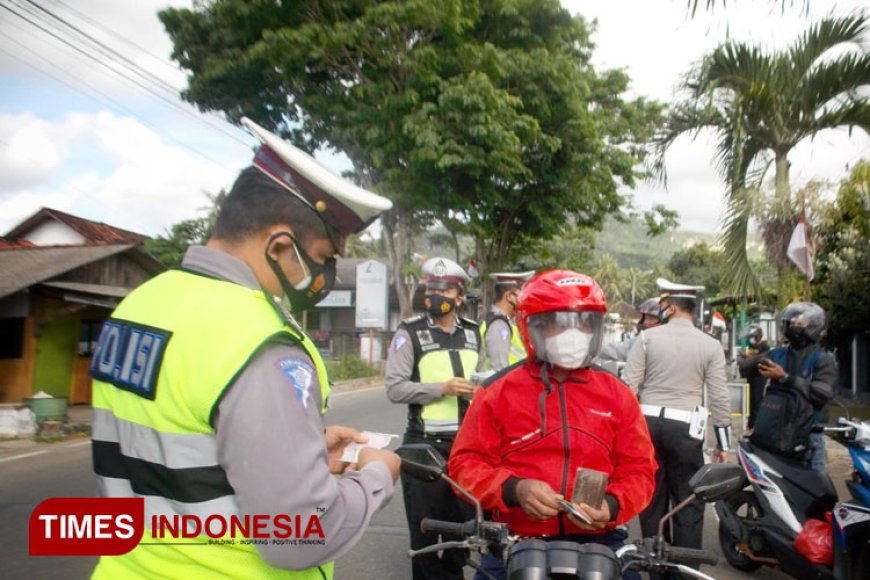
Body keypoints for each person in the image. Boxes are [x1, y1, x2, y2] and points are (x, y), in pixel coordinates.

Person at [88, 117, 400, 579]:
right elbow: (298, 535)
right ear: (279, 245)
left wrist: (303, 451)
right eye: (324, 257)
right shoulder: (258, 342)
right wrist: (374, 476)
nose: (325, 273)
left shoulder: (142, 303)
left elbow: (182, 447)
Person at [449, 270, 657, 580]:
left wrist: (612, 505)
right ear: (532, 327)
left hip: (601, 543)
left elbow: (641, 470)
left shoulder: (617, 394)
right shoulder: (497, 392)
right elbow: (465, 465)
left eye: (585, 322)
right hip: (515, 542)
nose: (573, 334)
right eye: (557, 323)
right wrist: (513, 489)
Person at [384, 257, 481, 580]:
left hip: (467, 449)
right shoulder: (408, 333)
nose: (438, 293)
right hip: (424, 447)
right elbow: (395, 388)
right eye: (432, 286)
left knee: (462, 533)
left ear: (459, 295)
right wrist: (441, 388)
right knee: (424, 532)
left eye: (446, 288)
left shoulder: (473, 333)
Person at [622, 278, 731, 562]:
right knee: (688, 501)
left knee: (651, 498)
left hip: (646, 426)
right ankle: (684, 566)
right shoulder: (710, 345)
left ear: (670, 307)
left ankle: (653, 561)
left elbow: (628, 388)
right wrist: (723, 442)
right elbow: (719, 397)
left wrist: (622, 434)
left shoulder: (646, 338)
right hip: (686, 430)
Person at [739, 302, 838, 471]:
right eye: (790, 323)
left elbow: (822, 393)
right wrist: (757, 361)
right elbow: (745, 368)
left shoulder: (822, 359)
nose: (793, 326)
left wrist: (785, 377)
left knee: (810, 491)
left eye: (799, 323)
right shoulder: (778, 354)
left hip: (808, 437)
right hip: (775, 434)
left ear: (814, 326)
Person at [477, 271, 534, 372]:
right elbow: (500, 370)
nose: (525, 299)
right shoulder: (499, 325)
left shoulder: (506, 322)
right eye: (521, 294)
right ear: (509, 296)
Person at [598, 297, 664, 364]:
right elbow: (621, 348)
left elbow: (623, 350)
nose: (645, 322)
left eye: (651, 319)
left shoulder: (653, 344)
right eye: (646, 318)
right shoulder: (643, 340)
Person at [737, 324, 770, 429]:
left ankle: (757, 424)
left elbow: (762, 359)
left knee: (758, 400)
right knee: (750, 400)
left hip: (760, 377)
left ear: (758, 336)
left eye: (753, 337)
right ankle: (750, 423)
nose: (751, 340)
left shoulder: (764, 346)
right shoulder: (752, 346)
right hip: (751, 375)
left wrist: (750, 358)